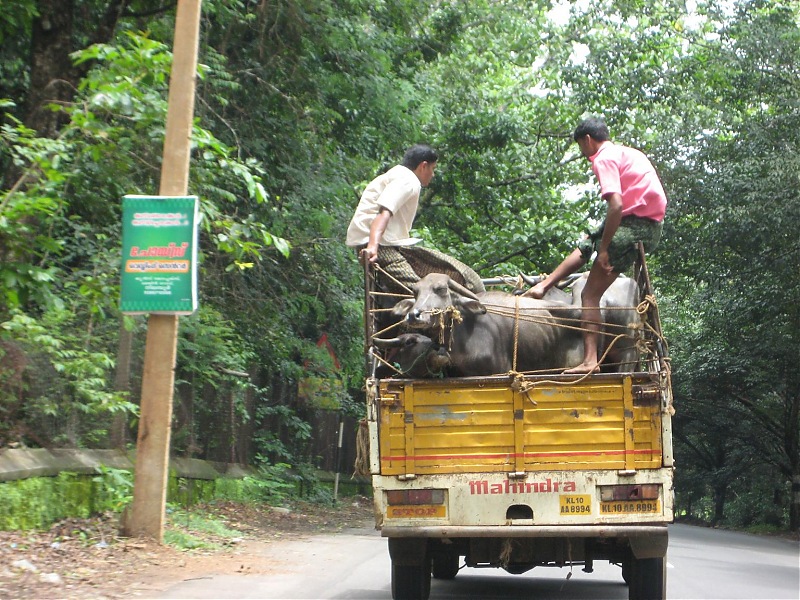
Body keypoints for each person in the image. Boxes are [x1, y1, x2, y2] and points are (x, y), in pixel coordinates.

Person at [522, 117, 667, 374]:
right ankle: (543, 286)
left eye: (581, 147)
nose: (583, 153)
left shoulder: (603, 158)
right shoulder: (626, 152)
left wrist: (604, 250)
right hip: (641, 221)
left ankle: (590, 361)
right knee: (587, 242)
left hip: (636, 225)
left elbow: (616, 206)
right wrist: (597, 244)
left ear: (587, 140)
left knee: (590, 295)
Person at [346, 144, 484, 299]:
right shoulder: (407, 180)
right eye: (433, 169)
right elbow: (384, 213)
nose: (433, 174)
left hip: (391, 245)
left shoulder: (396, 174)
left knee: (463, 275)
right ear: (423, 166)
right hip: (380, 247)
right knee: (427, 296)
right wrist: (372, 247)